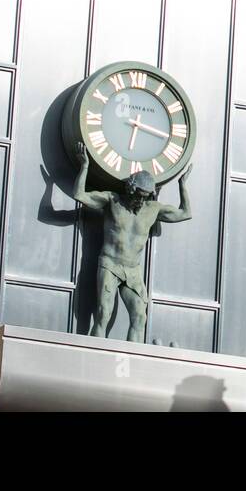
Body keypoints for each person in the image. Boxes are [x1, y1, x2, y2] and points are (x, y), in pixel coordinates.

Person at [72, 140, 192, 342]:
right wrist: (84, 166)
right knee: (103, 314)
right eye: (139, 196)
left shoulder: (153, 209)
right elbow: (79, 195)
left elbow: (185, 213)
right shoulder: (112, 201)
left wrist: (182, 186)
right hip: (110, 263)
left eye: (146, 197)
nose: (141, 201)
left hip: (133, 270)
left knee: (139, 316)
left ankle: (130, 359)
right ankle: (94, 355)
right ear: (130, 189)